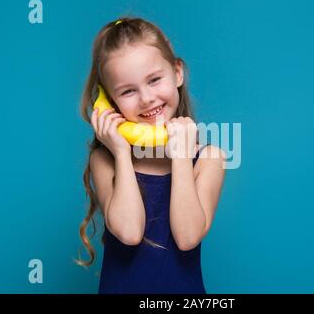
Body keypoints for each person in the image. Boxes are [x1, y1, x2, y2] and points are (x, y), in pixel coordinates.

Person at [77, 17, 226, 294]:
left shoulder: (209, 159)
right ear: (109, 102)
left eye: (154, 80)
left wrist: (180, 156)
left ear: (177, 73)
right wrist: (121, 152)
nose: (146, 98)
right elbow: (129, 232)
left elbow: (187, 237)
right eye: (128, 91)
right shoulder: (105, 159)